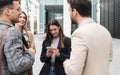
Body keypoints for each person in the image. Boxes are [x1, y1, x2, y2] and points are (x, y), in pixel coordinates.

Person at [63, 0, 113, 75]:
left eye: (69, 11)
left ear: (74, 12)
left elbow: (73, 72)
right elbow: (109, 58)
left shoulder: (78, 34)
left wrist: (65, 62)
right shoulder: (105, 31)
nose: (69, 14)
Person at [0, 0, 36, 75]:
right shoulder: (12, 31)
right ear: (7, 11)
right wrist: (30, 54)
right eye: (18, 9)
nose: (20, 12)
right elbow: (17, 67)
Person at [15, 11, 36, 75]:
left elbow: (33, 50)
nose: (22, 19)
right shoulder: (11, 32)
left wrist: (29, 51)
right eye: (20, 17)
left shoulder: (29, 33)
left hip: (27, 64)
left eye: (24, 18)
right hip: (14, 64)